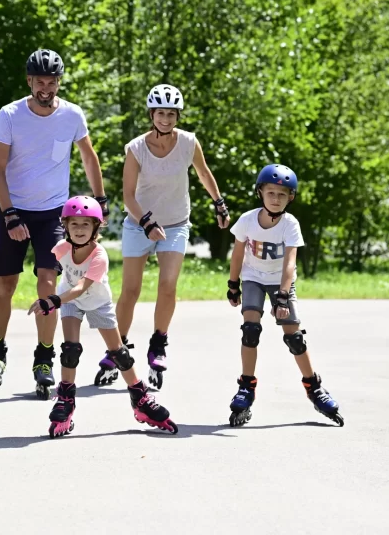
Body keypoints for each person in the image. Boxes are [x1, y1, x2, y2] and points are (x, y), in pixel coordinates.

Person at [0, 49, 107, 400]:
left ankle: (43, 357)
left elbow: (88, 154)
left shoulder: (72, 115)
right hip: (14, 209)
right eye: (40, 81)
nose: (46, 87)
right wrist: (10, 214)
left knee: (48, 280)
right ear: (29, 81)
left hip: (54, 214)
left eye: (52, 81)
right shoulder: (10, 114)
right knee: (6, 283)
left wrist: (100, 200)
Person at [94, 84, 230, 391]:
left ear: (177, 115)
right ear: (151, 114)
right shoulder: (136, 148)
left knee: (168, 285)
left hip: (176, 223)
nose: (166, 119)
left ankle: (158, 344)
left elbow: (204, 173)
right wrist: (146, 222)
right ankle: (117, 348)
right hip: (137, 224)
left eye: (171, 114)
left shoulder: (188, 143)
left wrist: (219, 203)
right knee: (130, 290)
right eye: (160, 113)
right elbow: (128, 196)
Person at [28, 196, 177, 437]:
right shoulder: (61, 248)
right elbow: (60, 278)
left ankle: (140, 398)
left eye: (85, 224)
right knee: (70, 349)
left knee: (119, 354)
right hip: (70, 301)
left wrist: (52, 301)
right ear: (64, 225)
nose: (79, 230)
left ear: (96, 227)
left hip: (96, 301)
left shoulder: (99, 256)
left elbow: (82, 287)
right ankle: (66, 399)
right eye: (74, 224)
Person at [225, 164, 343, 427]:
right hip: (254, 277)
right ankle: (246, 386)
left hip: (281, 281)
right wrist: (234, 284)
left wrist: (282, 296)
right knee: (250, 329)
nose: (275, 199)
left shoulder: (290, 224)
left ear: (290, 197)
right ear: (260, 193)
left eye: (282, 194)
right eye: (271, 193)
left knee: (294, 337)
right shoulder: (246, 220)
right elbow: (237, 254)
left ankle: (314, 387)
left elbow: (290, 262)